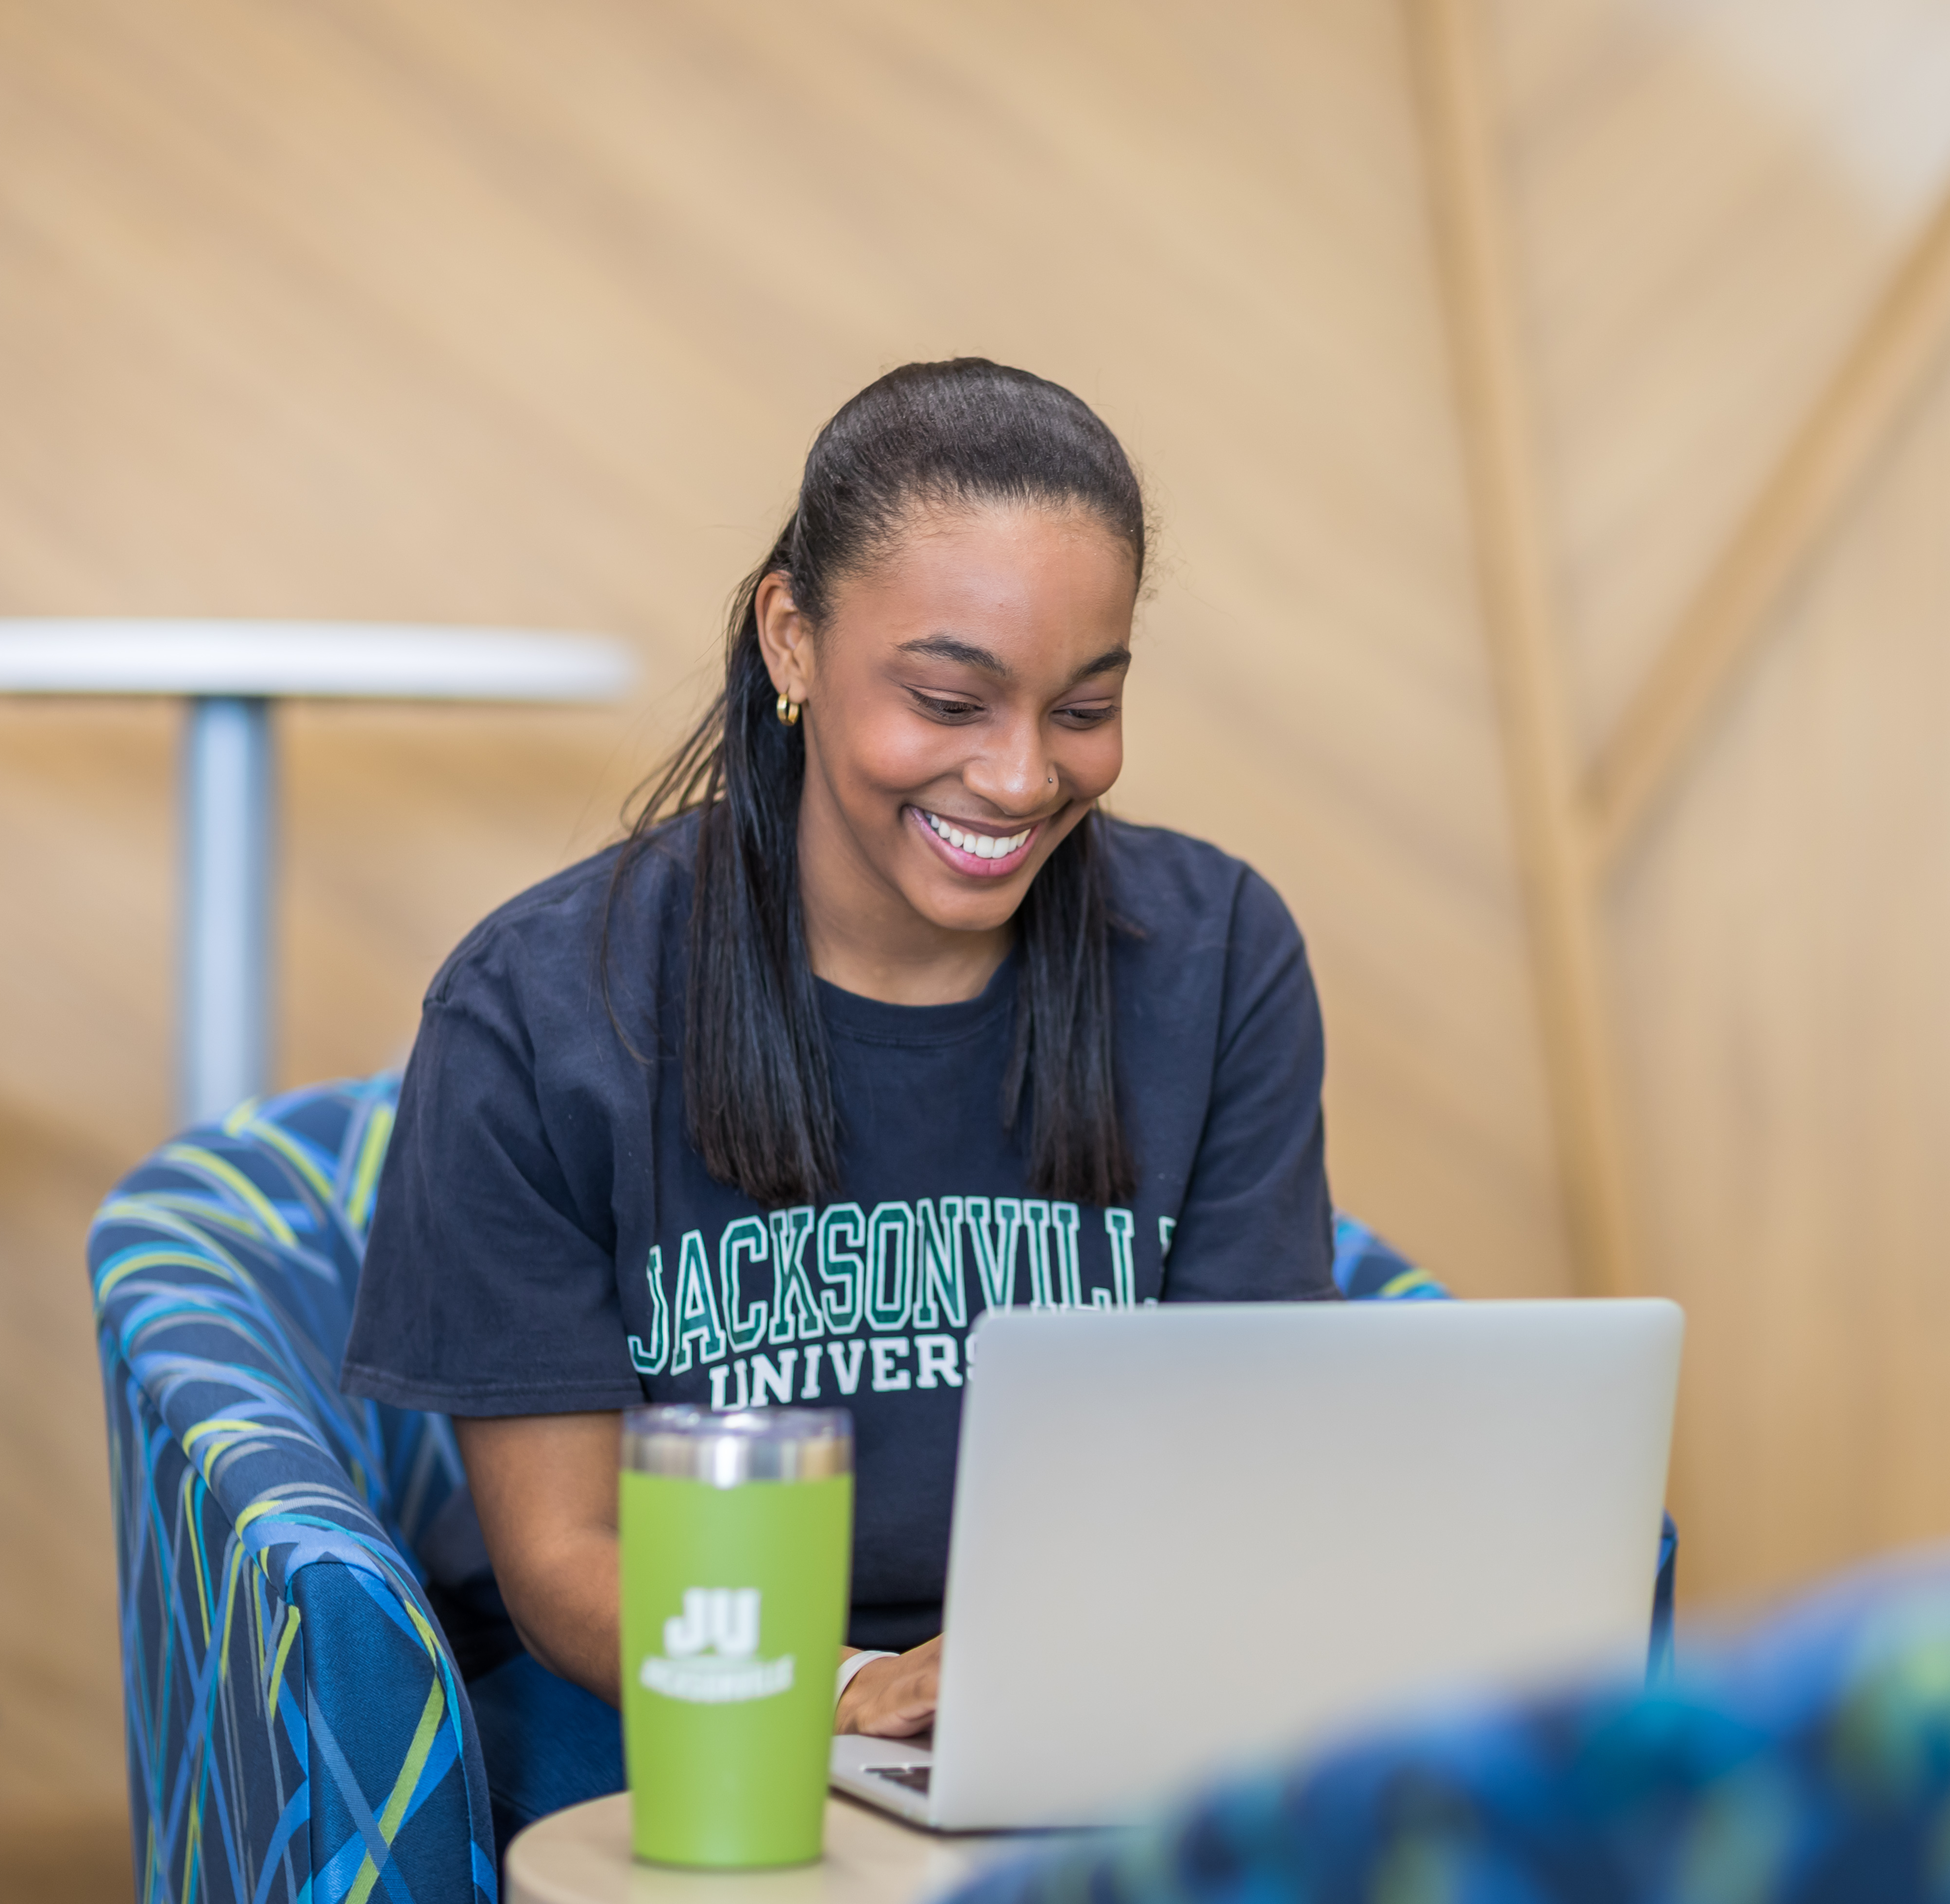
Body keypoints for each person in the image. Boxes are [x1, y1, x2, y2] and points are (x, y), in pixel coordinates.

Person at [340, 358, 1337, 1844]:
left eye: (1085, 706)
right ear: (792, 636)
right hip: (664, 1704)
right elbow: (566, 1555)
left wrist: (1059, 1685)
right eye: (947, 698)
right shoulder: (539, 1007)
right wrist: (860, 1688)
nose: (1017, 777)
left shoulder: (1219, 958)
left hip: (1089, 1709)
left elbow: (1245, 1457)